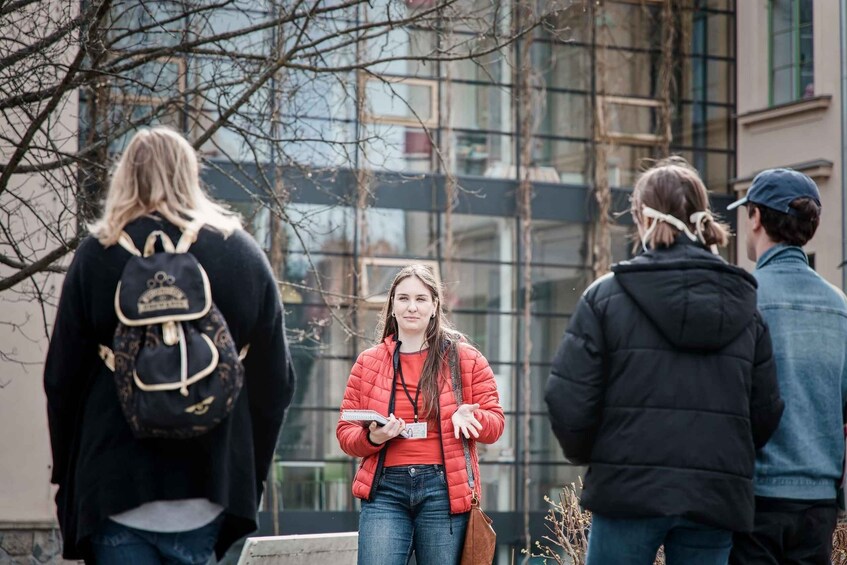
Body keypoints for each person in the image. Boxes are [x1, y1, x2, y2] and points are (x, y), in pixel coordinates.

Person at [44, 127, 295, 564]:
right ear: (190, 174)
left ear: (126, 176)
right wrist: (248, 473)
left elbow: (61, 381)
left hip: (112, 483)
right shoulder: (241, 253)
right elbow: (276, 384)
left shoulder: (96, 255)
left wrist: (67, 477)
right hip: (209, 485)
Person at [545, 157, 784, 565]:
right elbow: (765, 411)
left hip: (627, 491)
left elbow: (568, 400)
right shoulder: (746, 305)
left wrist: (600, 455)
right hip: (714, 496)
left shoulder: (606, 296)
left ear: (642, 217)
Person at [336, 264, 505, 565]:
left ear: (434, 305)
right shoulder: (369, 362)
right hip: (384, 490)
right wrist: (372, 437)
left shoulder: (466, 358)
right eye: (403, 298)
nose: (411, 307)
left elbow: (495, 425)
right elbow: (345, 432)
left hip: (444, 491)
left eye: (420, 298)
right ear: (392, 306)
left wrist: (472, 419)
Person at [727, 169, 847, 565]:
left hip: (756, 498)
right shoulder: (840, 307)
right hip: (819, 503)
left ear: (757, 218)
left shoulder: (742, 299)